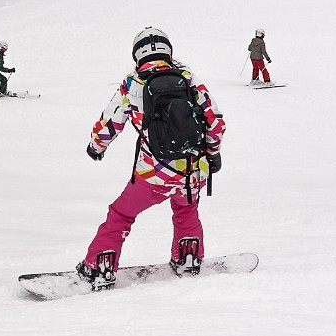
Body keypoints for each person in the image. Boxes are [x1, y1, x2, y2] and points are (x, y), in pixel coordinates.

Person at [77, 27, 225, 289]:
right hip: (193, 170)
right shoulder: (187, 78)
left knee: (121, 214)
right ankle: (187, 257)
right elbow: (215, 121)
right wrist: (212, 153)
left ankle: (101, 265)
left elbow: (111, 123)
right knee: (186, 209)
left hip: (153, 175)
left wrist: (96, 147)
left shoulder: (133, 83)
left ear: (137, 54)